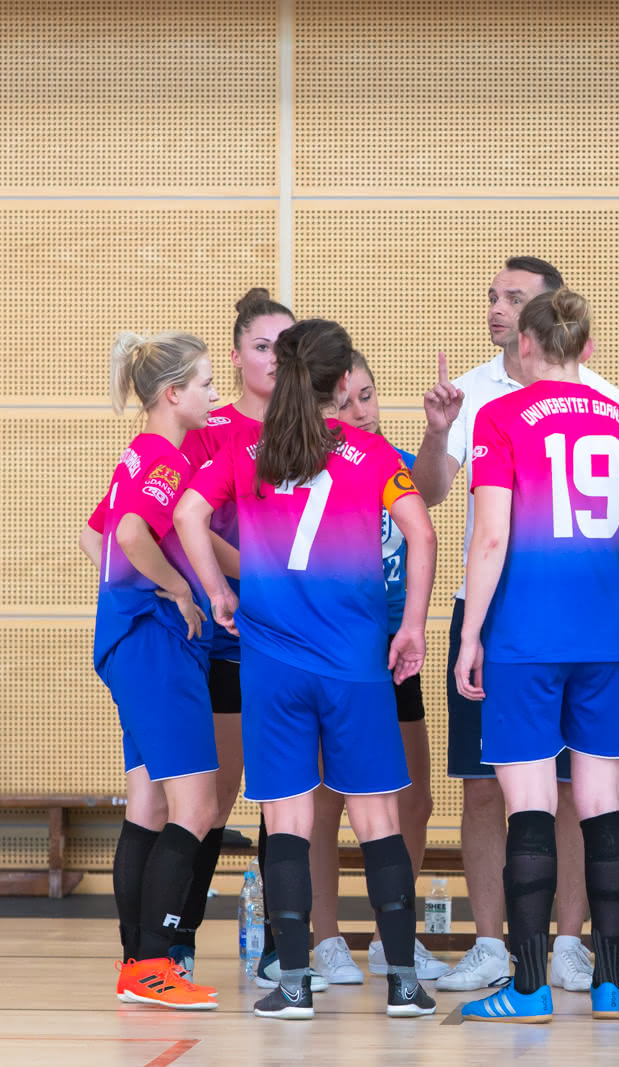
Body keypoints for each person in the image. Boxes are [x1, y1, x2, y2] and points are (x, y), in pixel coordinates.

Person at [175, 319, 438, 1021]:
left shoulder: (244, 447)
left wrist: (219, 590)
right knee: (377, 814)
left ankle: (293, 983)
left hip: (272, 664)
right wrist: (410, 624)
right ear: (343, 383)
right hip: (355, 664)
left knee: (288, 817)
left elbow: (188, 511)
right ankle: (405, 983)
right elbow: (423, 530)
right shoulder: (373, 451)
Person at [413, 256, 619, 993]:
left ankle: (565, 944)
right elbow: (430, 493)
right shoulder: (471, 392)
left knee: (563, 788)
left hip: (523, 622)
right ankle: (494, 943)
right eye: (492, 296)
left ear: (545, 320)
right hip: (532, 617)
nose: (497, 309)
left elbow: (496, 533)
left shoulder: (600, 397)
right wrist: (438, 433)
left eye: (514, 300)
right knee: (487, 785)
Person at [454, 289, 619, 1024]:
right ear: (588, 349)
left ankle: (530, 987)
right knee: (602, 804)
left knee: (529, 802)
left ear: (528, 346)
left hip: (527, 636)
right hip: (607, 638)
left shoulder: (499, 417)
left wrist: (471, 634)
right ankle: (607, 981)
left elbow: (491, 537)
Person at [172, 289, 302, 988]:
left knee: (285, 794)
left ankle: (286, 942)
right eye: (261, 347)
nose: (275, 360)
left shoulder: (309, 429)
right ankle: (181, 938)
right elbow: (190, 527)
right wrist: (254, 572)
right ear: (236, 355)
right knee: (214, 796)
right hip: (225, 632)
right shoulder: (209, 429)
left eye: (287, 347)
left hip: (294, 637)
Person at [87, 332, 221, 1010]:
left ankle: (136, 960)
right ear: (173, 394)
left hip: (126, 643)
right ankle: (152, 961)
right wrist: (171, 588)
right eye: (204, 383)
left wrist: (125, 595)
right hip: (154, 645)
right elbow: (133, 535)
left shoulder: (135, 455)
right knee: (196, 806)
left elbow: (95, 535)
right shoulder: (165, 458)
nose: (214, 394)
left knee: (149, 805)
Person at [303, 352, 444, 984]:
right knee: (332, 800)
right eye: (344, 400)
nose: (360, 410)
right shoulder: (316, 465)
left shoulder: (393, 463)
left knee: (414, 797)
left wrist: (438, 431)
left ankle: (395, 938)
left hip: (394, 645)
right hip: (339, 647)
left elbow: (433, 495)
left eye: (368, 394)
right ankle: (324, 936)